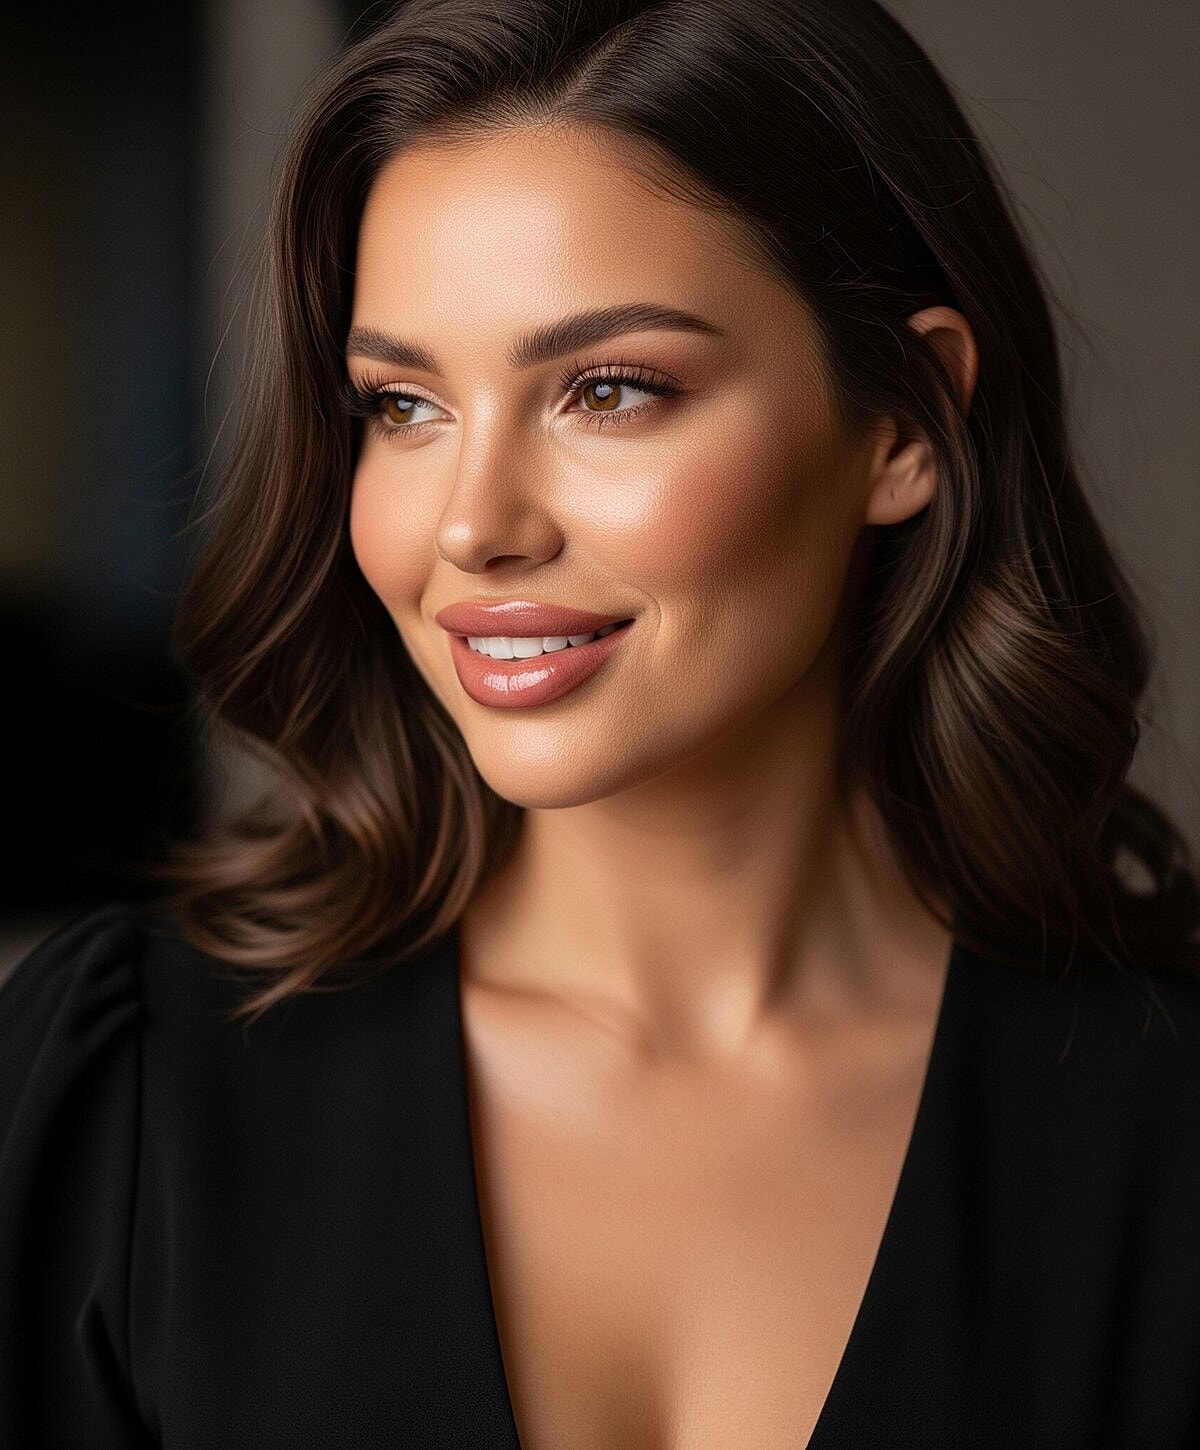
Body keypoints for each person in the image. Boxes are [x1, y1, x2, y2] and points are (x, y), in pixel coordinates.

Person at [2, 0, 1198, 1444]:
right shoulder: (121, 1099)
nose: (473, 526)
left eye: (608, 389)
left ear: (904, 426)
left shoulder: (1162, 1122)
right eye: (403, 404)